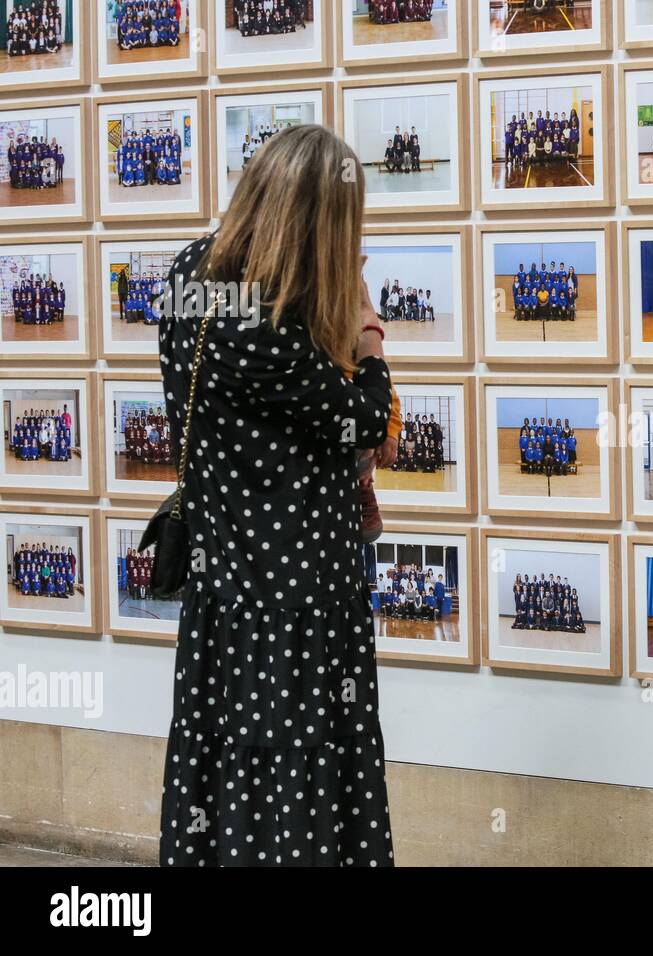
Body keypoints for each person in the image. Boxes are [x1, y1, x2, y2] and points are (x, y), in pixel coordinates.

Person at [155, 124, 394, 867]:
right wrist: (368, 333)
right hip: (293, 601)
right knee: (298, 790)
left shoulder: (193, 273)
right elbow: (369, 421)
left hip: (228, 593)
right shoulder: (265, 321)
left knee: (226, 782)